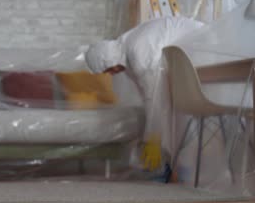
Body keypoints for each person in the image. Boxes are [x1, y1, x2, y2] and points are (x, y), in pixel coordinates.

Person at [85, 16, 204, 172]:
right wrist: (151, 134)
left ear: (110, 61)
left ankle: (179, 166)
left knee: (178, 114)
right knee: (170, 115)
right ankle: (175, 165)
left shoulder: (139, 53)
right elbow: (148, 98)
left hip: (205, 45)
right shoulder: (127, 51)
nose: (111, 74)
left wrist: (153, 138)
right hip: (191, 57)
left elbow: (155, 97)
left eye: (108, 70)